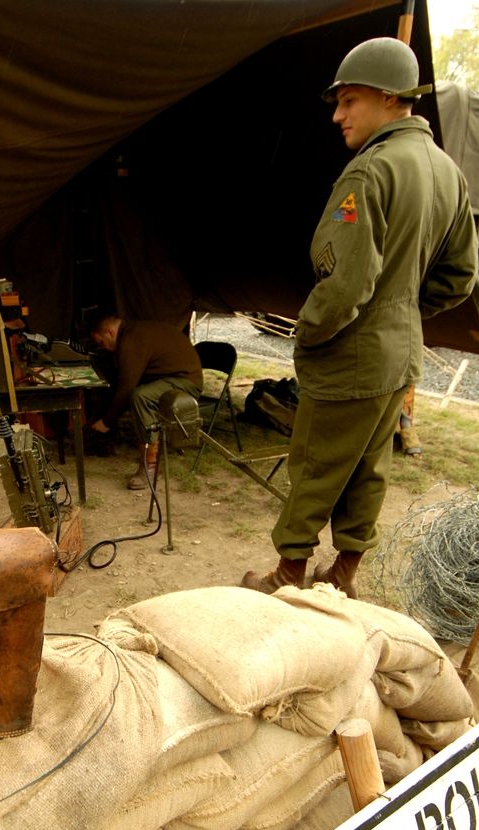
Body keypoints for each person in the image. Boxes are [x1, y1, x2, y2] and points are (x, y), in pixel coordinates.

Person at [241, 36, 478, 599]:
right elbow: (462, 275)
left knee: (317, 465)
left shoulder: (369, 173)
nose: (338, 115)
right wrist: (403, 314)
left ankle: (287, 577)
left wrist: (308, 334)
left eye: (349, 100)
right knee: (369, 467)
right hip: (399, 353)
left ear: (392, 98)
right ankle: (343, 574)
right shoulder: (447, 171)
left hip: (351, 353)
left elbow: (346, 283)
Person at [89, 315, 203, 489]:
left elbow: (127, 388)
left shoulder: (131, 339)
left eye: (101, 343)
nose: (103, 348)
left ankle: (150, 467)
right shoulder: (133, 331)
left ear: (110, 332)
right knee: (138, 393)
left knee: (141, 396)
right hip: (173, 378)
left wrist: (107, 422)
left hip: (185, 383)